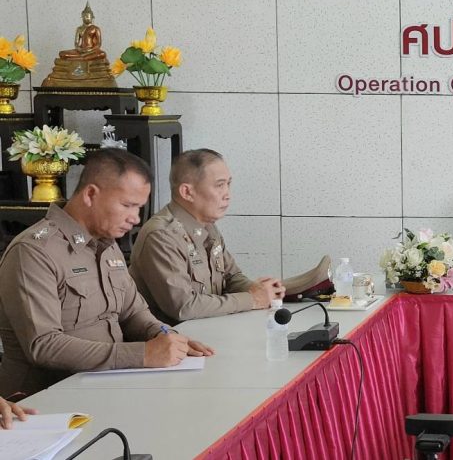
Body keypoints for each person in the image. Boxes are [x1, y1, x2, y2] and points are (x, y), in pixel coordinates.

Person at [0, 149, 214, 398]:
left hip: (106, 385)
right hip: (45, 399)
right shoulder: (34, 251)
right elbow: (44, 345)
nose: (135, 219)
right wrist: (143, 354)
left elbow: (133, 313)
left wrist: (168, 338)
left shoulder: (107, 244)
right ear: (91, 194)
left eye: (139, 208)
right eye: (127, 205)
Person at [130, 149, 284, 325]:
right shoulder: (161, 235)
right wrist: (252, 299)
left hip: (210, 329)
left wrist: (262, 291)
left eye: (228, 184)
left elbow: (231, 278)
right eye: (219, 185)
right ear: (187, 192)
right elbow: (184, 306)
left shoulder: (208, 226)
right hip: (174, 337)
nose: (227, 194)